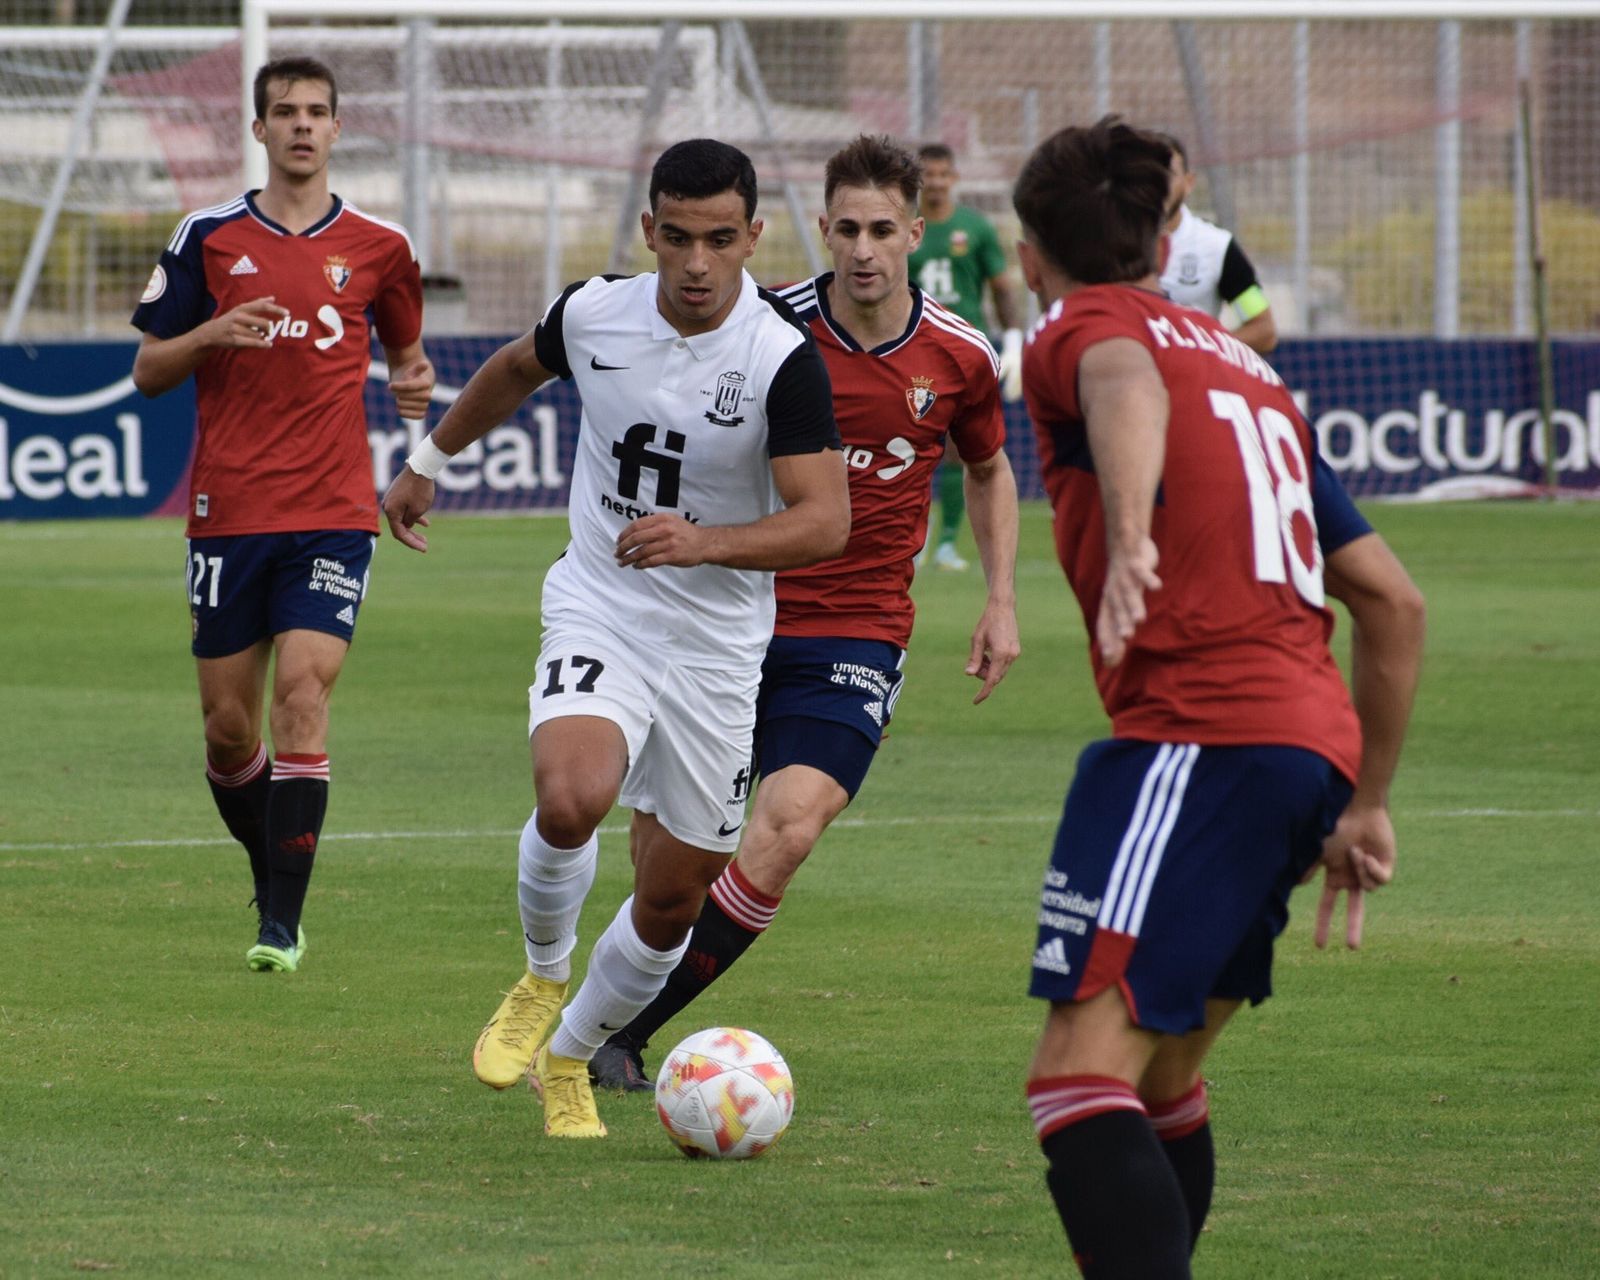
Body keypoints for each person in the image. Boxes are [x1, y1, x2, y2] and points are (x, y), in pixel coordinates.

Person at [1011, 118, 1425, 1277]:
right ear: (1162, 234)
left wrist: (1130, 523)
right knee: (1164, 1073)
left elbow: (1117, 374)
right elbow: (1392, 603)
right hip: (1309, 756)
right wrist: (1367, 801)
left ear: (1032, 248)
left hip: (1199, 737)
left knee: (1076, 1074)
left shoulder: (1077, 328)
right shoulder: (1256, 377)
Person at [381, 138, 849, 1139]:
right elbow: (512, 369)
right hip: (603, 603)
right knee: (572, 793)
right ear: (648, 231)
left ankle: (571, 1055)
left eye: (719, 240)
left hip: (717, 651)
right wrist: (428, 458)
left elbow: (826, 521)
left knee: (674, 896)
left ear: (753, 239)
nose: (694, 262)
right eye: (676, 237)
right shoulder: (595, 311)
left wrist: (705, 541)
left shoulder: (779, 360)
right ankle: (542, 979)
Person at [588, 133, 1022, 1093]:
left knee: (786, 828)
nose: (863, 248)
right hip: (728, 619)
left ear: (916, 232)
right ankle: (605, 1004)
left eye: (882, 230)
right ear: (820, 230)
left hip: (856, 632)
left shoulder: (958, 357)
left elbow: (988, 469)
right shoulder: (764, 330)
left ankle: (622, 1033)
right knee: (669, 862)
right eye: (846, 228)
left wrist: (999, 599)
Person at [130, 56, 433, 973]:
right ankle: (273, 868)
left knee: (305, 693)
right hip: (226, 513)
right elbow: (147, 372)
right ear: (259, 131)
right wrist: (213, 332)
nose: (302, 126)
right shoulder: (208, 237)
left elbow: (409, 359)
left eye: (316, 112)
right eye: (284, 113)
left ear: (338, 129)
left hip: (333, 513)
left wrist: (414, 400)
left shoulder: (382, 246)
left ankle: (281, 924)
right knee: (230, 733)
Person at [908, 142, 1026, 571]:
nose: (936, 182)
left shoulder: (974, 227)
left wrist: (1013, 339)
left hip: (965, 353)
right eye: (928, 174)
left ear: (953, 178)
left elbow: (1001, 287)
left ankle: (947, 543)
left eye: (943, 174)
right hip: (914, 349)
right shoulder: (903, 227)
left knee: (964, 449)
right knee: (910, 443)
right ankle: (913, 539)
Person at [1157, 132, 1278, 355]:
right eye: (1148, 176)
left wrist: (1202, 350)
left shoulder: (1217, 247)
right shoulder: (1108, 242)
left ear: (1188, 182)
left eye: (1167, 175)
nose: (1157, 186)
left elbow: (1263, 329)